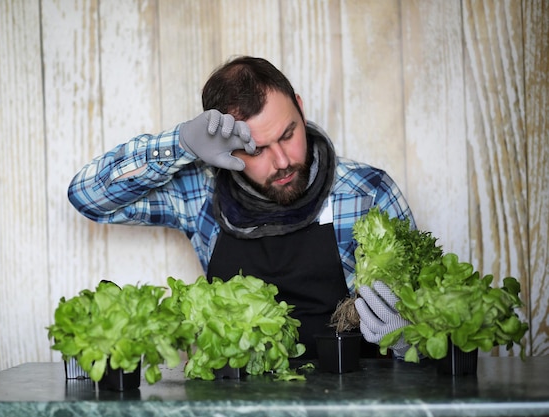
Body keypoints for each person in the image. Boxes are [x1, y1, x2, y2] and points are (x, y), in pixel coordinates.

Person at [68, 56, 414, 359]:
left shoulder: (367, 192)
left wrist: (406, 340)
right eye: (256, 150)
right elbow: (88, 197)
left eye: (288, 134)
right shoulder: (198, 193)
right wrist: (181, 143)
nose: (282, 161)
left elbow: (425, 335)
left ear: (300, 106)